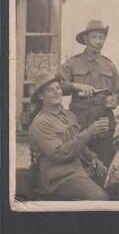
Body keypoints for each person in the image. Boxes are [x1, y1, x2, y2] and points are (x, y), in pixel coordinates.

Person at [29, 71, 109, 200]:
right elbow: (59, 154)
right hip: (58, 179)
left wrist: (92, 158)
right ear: (41, 96)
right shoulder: (40, 123)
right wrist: (89, 132)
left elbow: (79, 145)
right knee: (100, 198)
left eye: (58, 88)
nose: (57, 92)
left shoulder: (69, 115)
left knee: (115, 185)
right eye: (51, 90)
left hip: (78, 171)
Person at [60, 20, 119, 166]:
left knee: (103, 167)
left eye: (101, 38)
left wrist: (114, 100)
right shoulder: (72, 63)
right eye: (94, 37)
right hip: (80, 125)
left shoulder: (109, 65)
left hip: (103, 125)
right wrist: (76, 85)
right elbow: (58, 86)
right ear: (86, 39)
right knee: (80, 167)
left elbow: (118, 92)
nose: (98, 41)